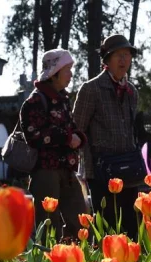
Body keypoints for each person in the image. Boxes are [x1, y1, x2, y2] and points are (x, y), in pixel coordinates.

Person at [73, 34, 140, 239]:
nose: (123, 60)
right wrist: (85, 167)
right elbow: (77, 129)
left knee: (132, 226)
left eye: (127, 55)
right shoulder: (90, 89)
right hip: (101, 170)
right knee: (105, 226)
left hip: (127, 168)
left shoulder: (131, 92)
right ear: (107, 60)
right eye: (118, 55)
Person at [20, 49, 89, 242]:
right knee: (49, 226)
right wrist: (68, 138)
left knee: (79, 221)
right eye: (67, 69)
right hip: (45, 172)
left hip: (67, 170)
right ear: (54, 72)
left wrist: (78, 137)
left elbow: (72, 127)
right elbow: (34, 136)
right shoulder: (34, 101)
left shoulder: (63, 100)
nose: (71, 75)